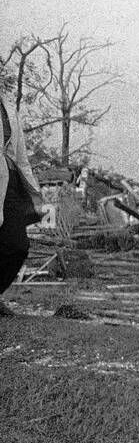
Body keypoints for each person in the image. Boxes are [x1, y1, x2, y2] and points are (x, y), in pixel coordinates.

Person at [1, 96, 43, 315]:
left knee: (18, 246)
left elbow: (21, 157)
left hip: (10, 183)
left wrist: (35, 194)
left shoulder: (8, 107)